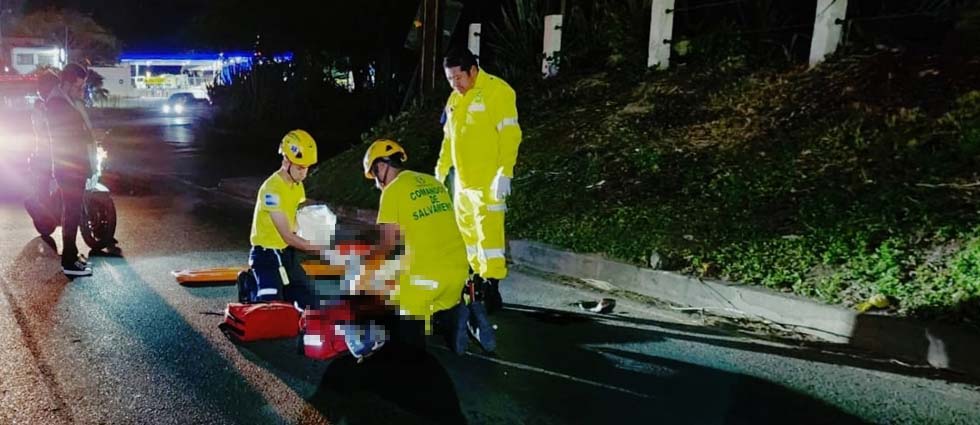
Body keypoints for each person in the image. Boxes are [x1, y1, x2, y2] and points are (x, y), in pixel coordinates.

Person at [363, 139, 494, 353]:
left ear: (381, 167)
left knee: (390, 299)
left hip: (424, 282)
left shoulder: (392, 191)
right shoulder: (433, 183)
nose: (376, 183)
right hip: (457, 277)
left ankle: (413, 342)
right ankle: (453, 318)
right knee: (432, 294)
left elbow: (387, 246)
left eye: (374, 175)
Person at [435, 47, 522, 314]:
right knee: (467, 234)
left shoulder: (498, 91)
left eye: (458, 78)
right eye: (450, 80)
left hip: (489, 182)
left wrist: (504, 171)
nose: (455, 85)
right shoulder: (454, 100)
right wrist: (440, 171)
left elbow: (510, 134)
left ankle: (492, 285)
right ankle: (475, 283)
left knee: (490, 238)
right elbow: (449, 139)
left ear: (473, 70)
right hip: (462, 183)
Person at [245, 129, 322, 307]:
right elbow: (286, 235)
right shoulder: (271, 190)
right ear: (286, 160)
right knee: (271, 305)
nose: (304, 173)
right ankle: (251, 285)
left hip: (287, 254)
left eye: (307, 168)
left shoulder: (297, 186)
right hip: (265, 253)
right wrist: (318, 249)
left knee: (310, 303)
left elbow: (298, 222)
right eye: (300, 167)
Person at [45, 64, 94, 277]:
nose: (81, 91)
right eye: (78, 86)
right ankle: (69, 262)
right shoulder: (58, 104)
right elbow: (72, 135)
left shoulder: (66, 100)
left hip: (73, 164)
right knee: (71, 212)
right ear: (66, 83)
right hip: (69, 166)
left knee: (72, 212)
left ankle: (72, 255)